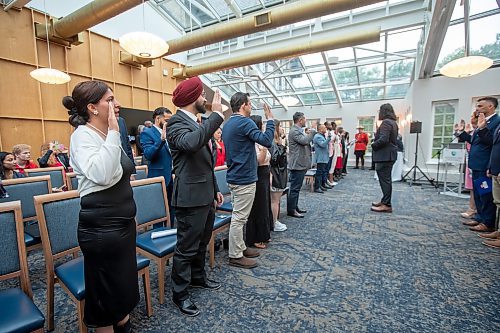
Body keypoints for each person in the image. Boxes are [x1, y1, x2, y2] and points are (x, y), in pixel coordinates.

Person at [64, 80, 138, 332]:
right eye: (110, 99)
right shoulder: (82, 136)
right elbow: (104, 175)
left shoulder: (108, 133)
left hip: (123, 225)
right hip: (101, 229)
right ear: (92, 108)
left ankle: (124, 323)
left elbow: (125, 173)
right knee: (105, 290)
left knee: (122, 283)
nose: (117, 105)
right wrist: (115, 133)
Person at [166, 77, 224, 317]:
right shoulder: (176, 123)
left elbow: (206, 162)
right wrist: (216, 117)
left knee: (202, 241)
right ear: (192, 99)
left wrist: (215, 189)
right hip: (189, 198)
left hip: (206, 194)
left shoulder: (197, 122)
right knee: (186, 248)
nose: (204, 100)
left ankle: (198, 277)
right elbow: (191, 144)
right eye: (201, 95)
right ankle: (179, 293)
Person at [222, 94, 275, 269]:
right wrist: (270, 120)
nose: (251, 106)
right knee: (239, 218)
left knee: (239, 215)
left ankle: (240, 247)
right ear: (243, 105)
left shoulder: (228, 123)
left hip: (235, 176)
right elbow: (266, 140)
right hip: (244, 178)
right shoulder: (245, 122)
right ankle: (235, 255)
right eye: (250, 103)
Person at [455, 97, 500, 232]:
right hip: (476, 165)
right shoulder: (483, 122)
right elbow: (474, 141)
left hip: (484, 165)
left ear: (491, 106)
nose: (477, 108)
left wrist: (482, 128)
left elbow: (492, 141)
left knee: (485, 195)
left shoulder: (495, 121)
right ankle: (480, 217)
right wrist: (461, 133)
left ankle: (487, 222)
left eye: (480, 106)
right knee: (479, 194)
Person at [140, 107, 175, 225]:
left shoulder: (170, 132)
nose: (168, 123)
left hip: (172, 176)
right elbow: (148, 155)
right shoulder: (147, 132)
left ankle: (170, 233)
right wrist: (161, 140)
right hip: (158, 177)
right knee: (159, 212)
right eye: (166, 120)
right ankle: (159, 238)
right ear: (158, 118)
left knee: (172, 208)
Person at [246, 115, 273, 249]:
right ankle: (256, 237)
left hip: (265, 173)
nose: (263, 127)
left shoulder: (260, 140)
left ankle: (265, 234)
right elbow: (260, 161)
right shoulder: (254, 142)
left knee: (265, 205)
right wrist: (265, 147)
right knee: (259, 207)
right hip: (258, 174)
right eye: (262, 124)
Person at [371, 103, 398, 213]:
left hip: (385, 156)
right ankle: (384, 201)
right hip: (388, 155)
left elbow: (384, 139)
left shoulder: (386, 122)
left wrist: (373, 144)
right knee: (386, 180)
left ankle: (386, 204)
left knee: (385, 181)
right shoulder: (393, 122)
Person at [287, 112, 315, 218]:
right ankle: (291, 210)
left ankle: (295, 207)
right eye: (304, 119)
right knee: (294, 188)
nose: (305, 121)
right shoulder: (294, 131)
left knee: (297, 188)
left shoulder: (298, 130)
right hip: (297, 164)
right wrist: (312, 132)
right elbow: (305, 141)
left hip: (300, 163)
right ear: (300, 120)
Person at [270, 120, 288, 232]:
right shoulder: (273, 142)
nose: (282, 128)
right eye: (280, 126)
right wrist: (283, 144)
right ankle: (274, 223)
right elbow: (275, 159)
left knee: (275, 200)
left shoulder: (277, 141)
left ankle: (274, 221)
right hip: (276, 173)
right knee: (274, 200)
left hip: (280, 172)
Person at [313, 124, 331, 193]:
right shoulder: (317, 137)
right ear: (320, 129)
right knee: (319, 173)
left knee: (322, 172)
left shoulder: (321, 136)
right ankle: (317, 187)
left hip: (323, 157)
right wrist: (329, 138)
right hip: (321, 158)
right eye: (324, 127)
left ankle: (320, 186)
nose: (326, 128)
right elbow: (323, 145)